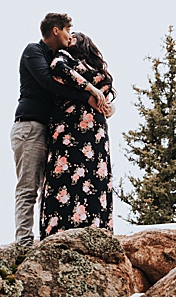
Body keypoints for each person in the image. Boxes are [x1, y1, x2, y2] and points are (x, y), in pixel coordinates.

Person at [10, 13, 108, 248]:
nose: (69, 35)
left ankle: (47, 238)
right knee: (28, 186)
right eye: (67, 30)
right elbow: (47, 81)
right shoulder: (33, 51)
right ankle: (23, 244)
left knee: (50, 187)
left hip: (49, 129)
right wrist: (88, 95)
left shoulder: (61, 57)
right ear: (56, 30)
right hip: (30, 126)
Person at [39, 31, 116, 239]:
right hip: (68, 130)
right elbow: (57, 68)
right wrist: (92, 90)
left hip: (95, 132)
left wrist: (106, 104)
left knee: (95, 178)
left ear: (83, 43)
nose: (68, 40)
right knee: (66, 176)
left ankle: (98, 231)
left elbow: (108, 96)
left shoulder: (98, 67)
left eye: (73, 37)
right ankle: (60, 231)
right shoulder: (64, 57)